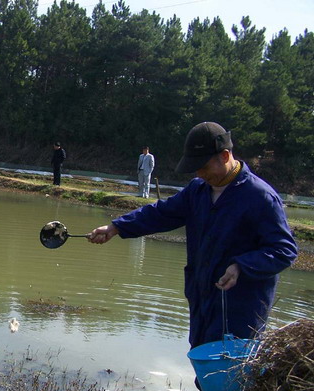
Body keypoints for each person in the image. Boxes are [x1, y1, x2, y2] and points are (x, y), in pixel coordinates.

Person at [88, 122, 297, 352]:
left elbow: (283, 250)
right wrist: (116, 227)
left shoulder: (260, 197)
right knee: (202, 364)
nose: (199, 173)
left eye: (204, 166)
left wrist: (241, 266)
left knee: (231, 373)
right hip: (201, 296)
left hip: (240, 306)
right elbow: (162, 213)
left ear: (225, 156)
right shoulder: (198, 190)